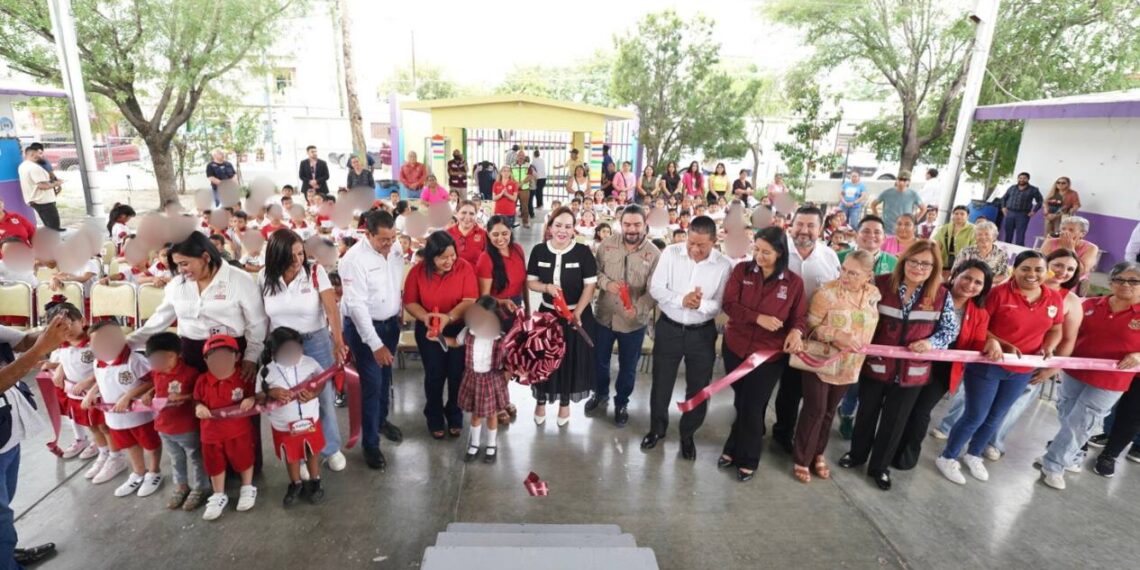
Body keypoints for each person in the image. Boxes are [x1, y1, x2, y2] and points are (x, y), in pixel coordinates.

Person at [933, 248, 1082, 457]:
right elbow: (979, 326)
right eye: (1025, 269)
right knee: (975, 415)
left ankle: (973, 454)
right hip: (987, 365)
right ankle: (949, 456)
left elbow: (1056, 329)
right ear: (1014, 270)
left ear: (1046, 271)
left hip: (1022, 371)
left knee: (996, 416)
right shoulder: (998, 293)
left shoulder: (1054, 298)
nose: (1032, 274)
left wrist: (1049, 346)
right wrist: (999, 343)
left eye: (1039, 269)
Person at [840, 241, 959, 491]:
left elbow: (950, 330)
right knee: (866, 414)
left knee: (895, 422)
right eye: (913, 261)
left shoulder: (941, 295)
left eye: (925, 263)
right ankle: (857, 455)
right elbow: (861, 315)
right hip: (877, 366)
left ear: (934, 267)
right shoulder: (880, 284)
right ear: (903, 261)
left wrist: (930, 342)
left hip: (912, 373)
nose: (918, 267)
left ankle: (879, 467)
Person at [717, 227, 806, 481]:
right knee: (742, 402)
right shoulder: (741, 271)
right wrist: (758, 317)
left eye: (766, 252)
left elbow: (800, 317)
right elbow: (729, 305)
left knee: (753, 406)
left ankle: (747, 458)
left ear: (780, 253)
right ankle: (734, 447)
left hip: (768, 355)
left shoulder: (793, 283)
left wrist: (796, 332)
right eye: (756, 249)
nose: (759, 256)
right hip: (736, 347)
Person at [643, 216, 733, 458]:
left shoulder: (724, 265)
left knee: (698, 388)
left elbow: (720, 304)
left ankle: (687, 434)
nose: (694, 249)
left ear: (714, 242)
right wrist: (681, 300)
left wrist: (699, 304)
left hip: (701, 333)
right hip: (669, 328)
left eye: (701, 245)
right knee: (661, 383)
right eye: (691, 243)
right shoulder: (671, 253)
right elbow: (656, 288)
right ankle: (656, 429)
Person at [259, 229, 348, 473]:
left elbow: (331, 309)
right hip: (282, 347)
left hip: (315, 341)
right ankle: (299, 454)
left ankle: (330, 448)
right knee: (289, 399)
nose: (298, 260)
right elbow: (262, 319)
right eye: (291, 256)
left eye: (300, 253)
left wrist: (338, 342)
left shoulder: (315, 272)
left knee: (322, 396)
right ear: (276, 257)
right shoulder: (264, 277)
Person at [1039, 267, 1138, 488]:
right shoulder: (1092, 305)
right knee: (1067, 412)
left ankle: (1054, 465)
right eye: (1120, 279)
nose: (1126, 284)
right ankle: (1069, 455)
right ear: (1111, 282)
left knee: (1083, 421)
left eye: (1134, 281)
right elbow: (1068, 332)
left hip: (1111, 380)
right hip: (1075, 371)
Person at [892, 260, 993, 471]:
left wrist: (992, 342)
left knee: (921, 412)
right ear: (955, 275)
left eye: (978, 282)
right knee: (901, 408)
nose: (970, 284)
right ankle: (887, 450)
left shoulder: (979, 314)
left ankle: (906, 457)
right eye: (966, 277)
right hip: (914, 362)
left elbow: (976, 342)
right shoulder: (932, 294)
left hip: (943, 371)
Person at [792, 250, 879, 483]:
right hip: (821, 361)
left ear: (868, 276)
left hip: (850, 364)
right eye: (843, 269)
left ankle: (818, 453)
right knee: (815, 409)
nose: (845, 276)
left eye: (853, 273)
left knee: (830, 411)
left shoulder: (873, 294)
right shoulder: (827, 293)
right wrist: (836, 334)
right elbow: (809, 326)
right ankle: (802, 458)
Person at [0, 317, 70, 569]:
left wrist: (58, 330)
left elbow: (21, 341)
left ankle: (6, 555)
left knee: (5, 509)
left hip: (7, 434)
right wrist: (39, 350)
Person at [771, 206, 841, 451]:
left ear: (820, 229)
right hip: (776, 330)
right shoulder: (778, 252)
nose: (804, 230)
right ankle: (775, 430)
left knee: (801, 388)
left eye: (811, 225)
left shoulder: (830, 257)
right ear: (791, 224)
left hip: (813, 335)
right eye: (800, 224)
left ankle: (794, 436)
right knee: (775, 386)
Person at [339, 210, 403, 470]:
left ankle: (381, 420)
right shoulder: (353, 260)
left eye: (392, 238)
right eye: (383, 240)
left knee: (386, 377)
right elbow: (356, 306)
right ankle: (370, 444)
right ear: (368, 234)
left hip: (390, 325)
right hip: (364, 329)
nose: (390, 245)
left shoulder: (395, 247)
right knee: (372, 384)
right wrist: (375, 344)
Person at [586, 205, 660, 427]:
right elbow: (594, 273)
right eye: (627, 224)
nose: (632, 229)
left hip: (633, 322)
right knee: (599, 362)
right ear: (620, 223)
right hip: (604, 316)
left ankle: (621, 402)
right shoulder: (606, 246)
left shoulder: (654, 253)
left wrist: (639, 307)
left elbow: (655, 289)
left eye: (637, 224)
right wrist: (607, 284)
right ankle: (600, 394)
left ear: (645, 224)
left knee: (628, 368)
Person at [526, 207, 598, 426]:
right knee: (544, 360)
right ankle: (541, 399)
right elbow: (531, 282)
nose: (562, 231)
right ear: (550, 226)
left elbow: (590, 285)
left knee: (568, 361)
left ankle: (564, 403)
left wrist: (576, 313)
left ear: (573, 228)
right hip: (548, 315)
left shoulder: (583, 252)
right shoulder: (539, 251)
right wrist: (547, 287)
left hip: (576, 315)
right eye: (558, 225)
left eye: (568, 226)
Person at [404, 231, 478, 438]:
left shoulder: (464, 268)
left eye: (452, 255)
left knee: (457, 375)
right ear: (430, 257)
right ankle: (434, 416)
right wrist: (425, 316)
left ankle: (455, 414)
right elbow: (410, 301)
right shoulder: (418, 271)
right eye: (442, 257)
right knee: (434, 375)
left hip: (457, 328)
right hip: (429, 328)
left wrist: (450, 317)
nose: (449, 261)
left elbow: (470, 300)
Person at [84, 322, 163, 498]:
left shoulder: (134, 360)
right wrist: (90, 393)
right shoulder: (99, 362)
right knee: (130, 444)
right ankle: (138, 472)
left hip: (139, 416)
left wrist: (128, 396)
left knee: (150, 443)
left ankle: (154, 471)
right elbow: (101, 380)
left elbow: (152, 380)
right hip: (114, 417)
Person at [141, 332, 210, 511]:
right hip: (164, 426)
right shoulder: (156, 373)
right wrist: (149, 394)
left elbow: (200, 395)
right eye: (155, 360)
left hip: (187, 426)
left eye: (164, 358)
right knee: (175, 458)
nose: (159, 363)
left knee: (196, 458)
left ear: (176, 354)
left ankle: (200, 487)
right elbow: (155, 388)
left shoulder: (190, 373)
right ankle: (181, 486)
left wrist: (184, 397)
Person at [193, 334, 258, 521]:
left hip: (239, 431)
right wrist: (199, 406)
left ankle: (247, 487)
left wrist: (251, 399)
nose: (220, 363)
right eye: (214, 359)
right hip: (210, 434)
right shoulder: (202, 381)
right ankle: (218, 494)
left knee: (244, 458)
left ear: (237, 357)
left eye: (225, 357)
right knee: (214, 464)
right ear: (206, 361)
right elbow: (195, 399)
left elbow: (255, 394)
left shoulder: (243, 377)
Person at [260, 327, 327, 505]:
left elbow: (322, 380)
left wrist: (314, 394)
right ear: (274, 353)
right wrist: (271, 392)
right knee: (292, 455)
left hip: (310, 419)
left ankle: (315, 481)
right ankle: (295, 483)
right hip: (284, 425)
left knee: (312, 451)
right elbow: (258, 396)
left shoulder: (309, 363)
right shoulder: (266, 372)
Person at [447, 296, 510, 464]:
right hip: (472, 378)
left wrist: (515, 371)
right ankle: (474, 443)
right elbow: (454, 342)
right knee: (475, 415)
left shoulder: (500, 338)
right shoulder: (468, 332)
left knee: (491, 415)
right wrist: (438, 337)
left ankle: (491, 445)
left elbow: (510, 361)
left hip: (491, 380)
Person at [17, 143, 63, 231]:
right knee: (53, 227)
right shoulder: (34, 168)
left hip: (36, 200)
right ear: (32, 154)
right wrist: (57, 183)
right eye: (39, 154)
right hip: (43, 201)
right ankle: (53, 243)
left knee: (49, 226)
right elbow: (42, 186)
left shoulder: (22, 166)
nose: (40, 156)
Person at [1000, 172, 1043, 246]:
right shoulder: (1012, 188)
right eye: (1020, 178)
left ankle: (1019, 252)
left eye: (1024, 178)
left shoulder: (1033, 189)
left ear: (1028, 179)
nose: (1022, 180)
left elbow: (1040, 201)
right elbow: (1004, 198)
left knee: (1020, 234)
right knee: (1008, 233)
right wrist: (1003, 207)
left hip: (1023, 214)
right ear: (1018, 179)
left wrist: (1034, 211)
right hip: (1010, 213)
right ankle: (1006, 250)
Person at [931, 206, 976, 271]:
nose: (959, 216)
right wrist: (937, 260)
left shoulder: (973, 229)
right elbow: (937, 244)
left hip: (964, 262)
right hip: (945, 261)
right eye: (956, 213)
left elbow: (974, 248)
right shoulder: (945, 228)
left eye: (962, 214)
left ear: (968, 216)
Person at [447, 201, 489, 266]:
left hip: (476, 275)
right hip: (453, 275)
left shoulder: (484, 234)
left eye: (471, 214)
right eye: (463, 213)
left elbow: (488, 260)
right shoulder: (447, 234)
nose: (467, 217)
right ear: (457, 213)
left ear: (476, 215)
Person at [509, 151, 536, 228]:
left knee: (525, 207)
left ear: (524, 157)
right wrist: (515, 183)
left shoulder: (528, 165)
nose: (521, 157)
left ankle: (525, 222)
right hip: (514, 189)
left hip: (525, 189)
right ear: (517, 156)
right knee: (512, 206)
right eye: (519, 155)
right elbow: (510, 176)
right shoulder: (512, 165)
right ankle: (511, 222)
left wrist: (521, 183)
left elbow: (530, 176)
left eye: (522, 155)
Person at [530, 149, 546, 213]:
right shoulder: (542, 160)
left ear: (534, 155)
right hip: (544, 177)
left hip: (538, 178)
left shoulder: (534, 161)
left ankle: (539, 205)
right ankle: (540, 204)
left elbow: (533, 169)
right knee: (540, 191)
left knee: (537, 192)